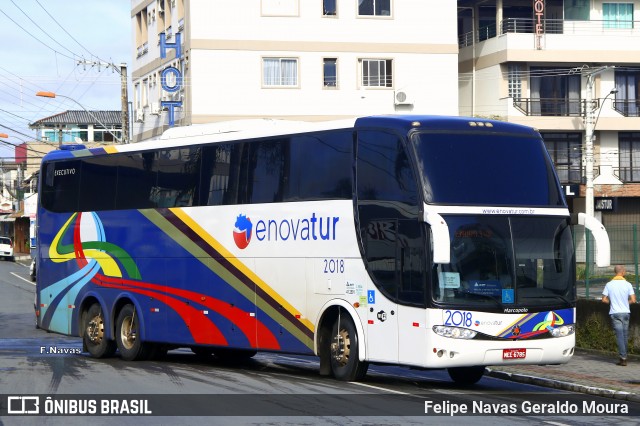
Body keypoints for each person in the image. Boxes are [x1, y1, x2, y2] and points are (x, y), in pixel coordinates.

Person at [601, 265, 637, 366]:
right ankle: (624, 355)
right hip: (625, 313)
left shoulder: (609, 284)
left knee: (620, 336)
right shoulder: (628, 284)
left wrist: (611, 303)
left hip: (615, 313)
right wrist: (626, 304)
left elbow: (603, 299)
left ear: (615, 272)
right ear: (623, 272)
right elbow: (633, 300)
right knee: (624, 335)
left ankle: (623, 357)